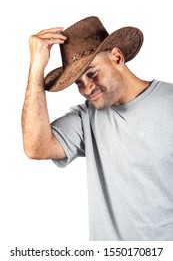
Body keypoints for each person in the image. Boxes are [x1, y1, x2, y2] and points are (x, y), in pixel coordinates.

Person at [22, 16, 173, 241]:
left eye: (92, 73)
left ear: (117, 57)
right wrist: (35, 69)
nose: (86, 89)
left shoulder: (168, 103)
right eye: (78, 83)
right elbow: (36, 147)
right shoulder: (88, 116)